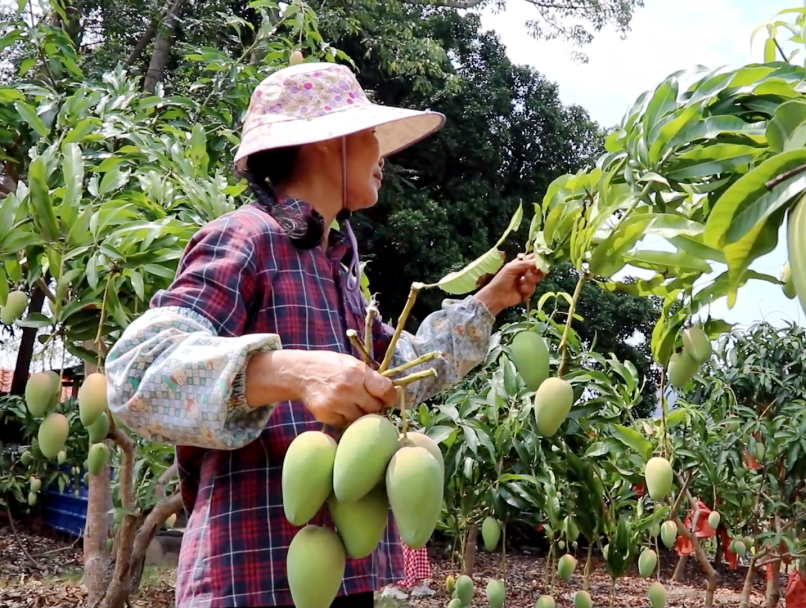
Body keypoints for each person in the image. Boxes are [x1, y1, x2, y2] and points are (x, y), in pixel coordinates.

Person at [104, 61, 545, 608]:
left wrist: (487, 302)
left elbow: (399, 370)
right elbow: (137, 374)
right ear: (322, 144)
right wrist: (291, 372)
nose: (382, 155)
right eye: (370, 137)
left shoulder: (336, 273)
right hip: (250, 574)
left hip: (346, 579)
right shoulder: (243, 238)